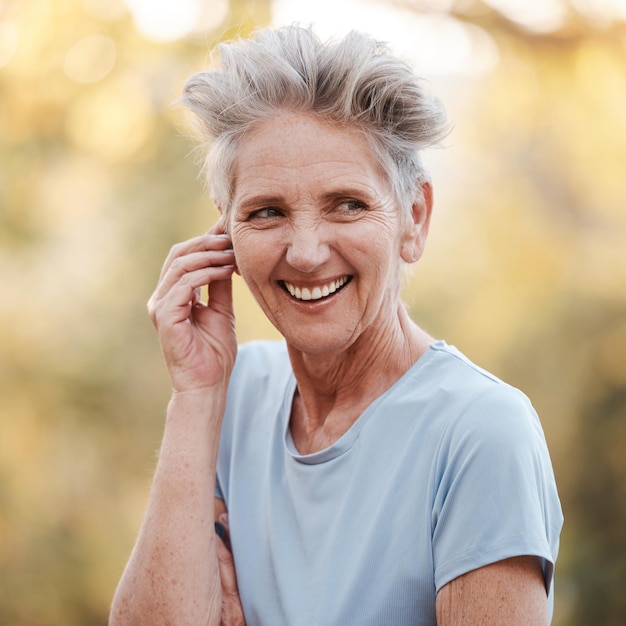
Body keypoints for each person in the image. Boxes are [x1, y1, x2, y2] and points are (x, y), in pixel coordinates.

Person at [110, 24, 563, 626]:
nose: (304, 252)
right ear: (226, 236)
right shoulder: (233, 394)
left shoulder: (480, 433)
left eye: (347, 204)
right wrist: (195, 395)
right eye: (266, 212)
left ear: (414, 219)